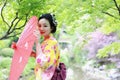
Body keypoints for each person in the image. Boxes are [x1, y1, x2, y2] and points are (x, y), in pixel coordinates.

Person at [12, 13, 60, 80]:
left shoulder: (51, 43)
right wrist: (21, 49)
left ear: (51, 27)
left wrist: (37, 43)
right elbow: (40, 55)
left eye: (45, 26)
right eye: (39, 26)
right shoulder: (46, 41)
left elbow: (43, 62)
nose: (41, 28)